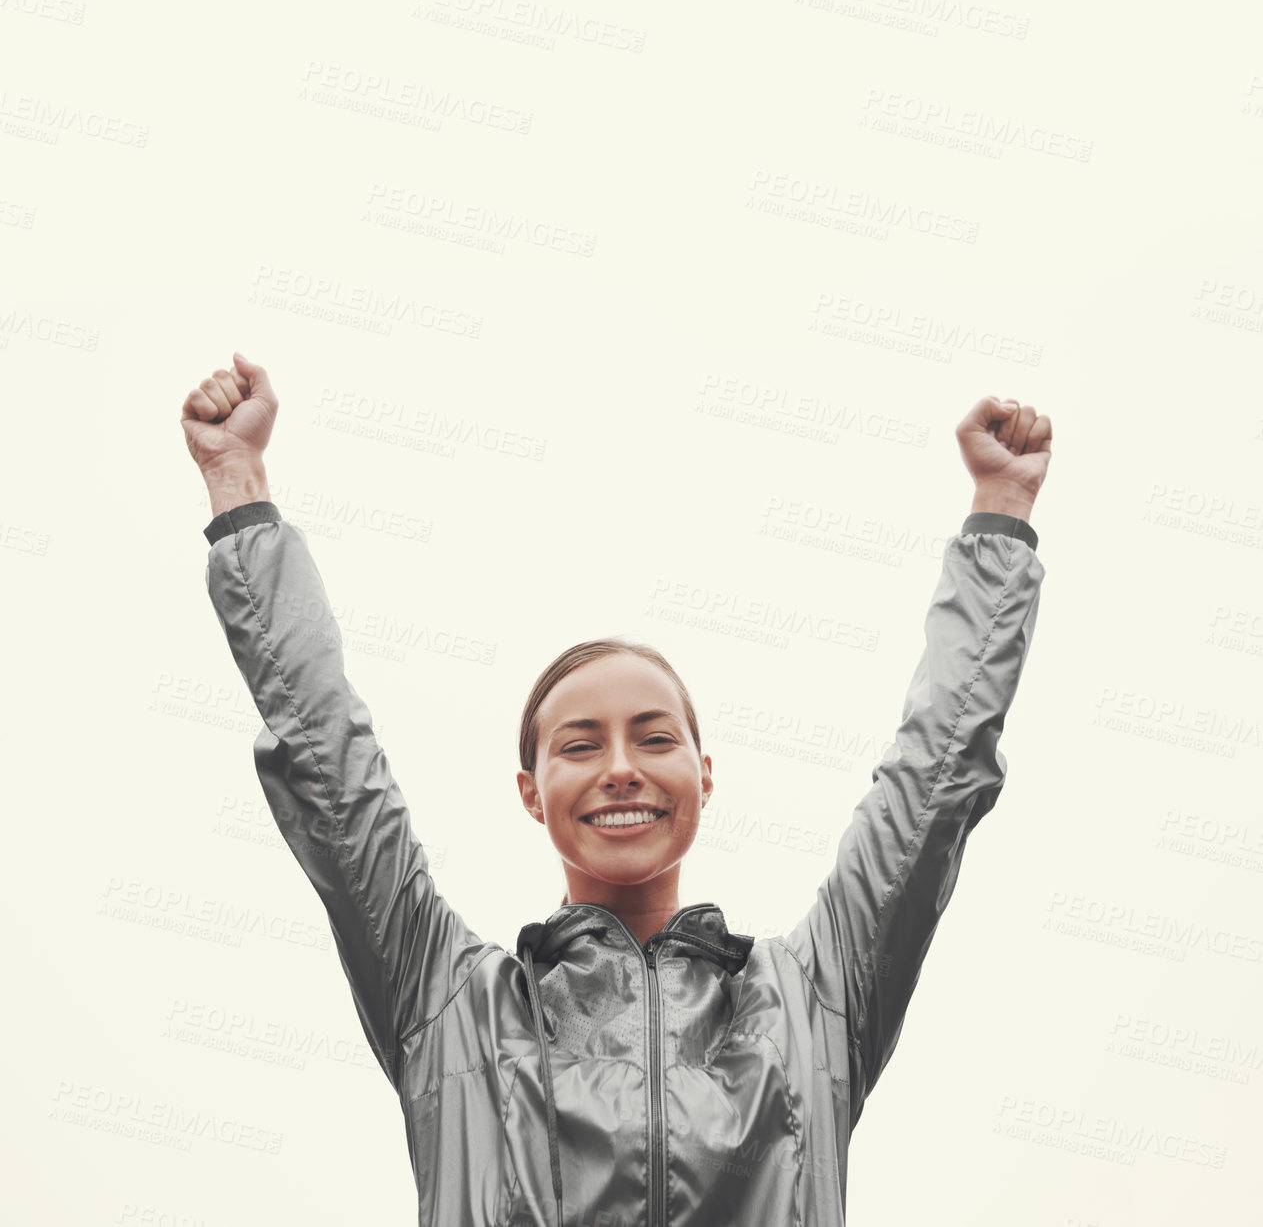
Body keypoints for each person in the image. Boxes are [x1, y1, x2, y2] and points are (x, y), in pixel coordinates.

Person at [181, 351, 1051, 1227]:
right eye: (580, 744)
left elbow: (932, 786)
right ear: (532, 791)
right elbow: (331, 766)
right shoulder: (449, 1003)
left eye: (655, 736)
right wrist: (236, 480)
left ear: (703, 779)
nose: (621, 767)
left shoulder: (810, 1001)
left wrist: (1000, 513)